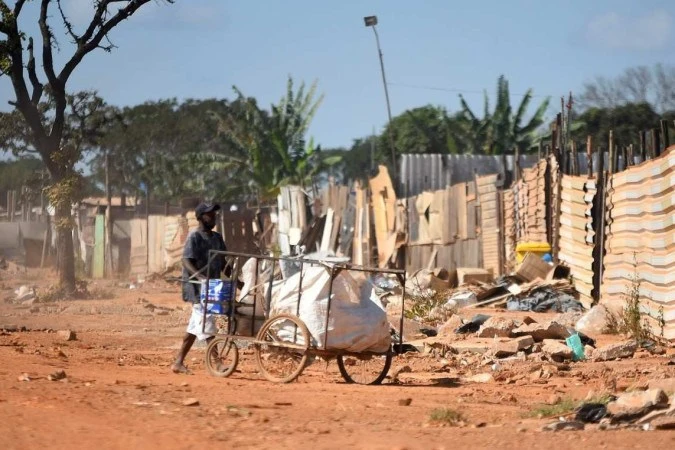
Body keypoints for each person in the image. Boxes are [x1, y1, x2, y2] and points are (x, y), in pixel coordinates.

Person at [171, 202, 227, 374]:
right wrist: (200, 277)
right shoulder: (194, 237)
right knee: (206, 319)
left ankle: (178, 363)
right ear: (202, 217)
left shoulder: (217, 238)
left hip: (212, 286)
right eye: (210, 214)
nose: (214, 217)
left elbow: (224, 262)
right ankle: (217, 363)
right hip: (196, 287)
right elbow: (186, 261)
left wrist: (237, 280)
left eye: (215, 214)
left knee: (195, 325)